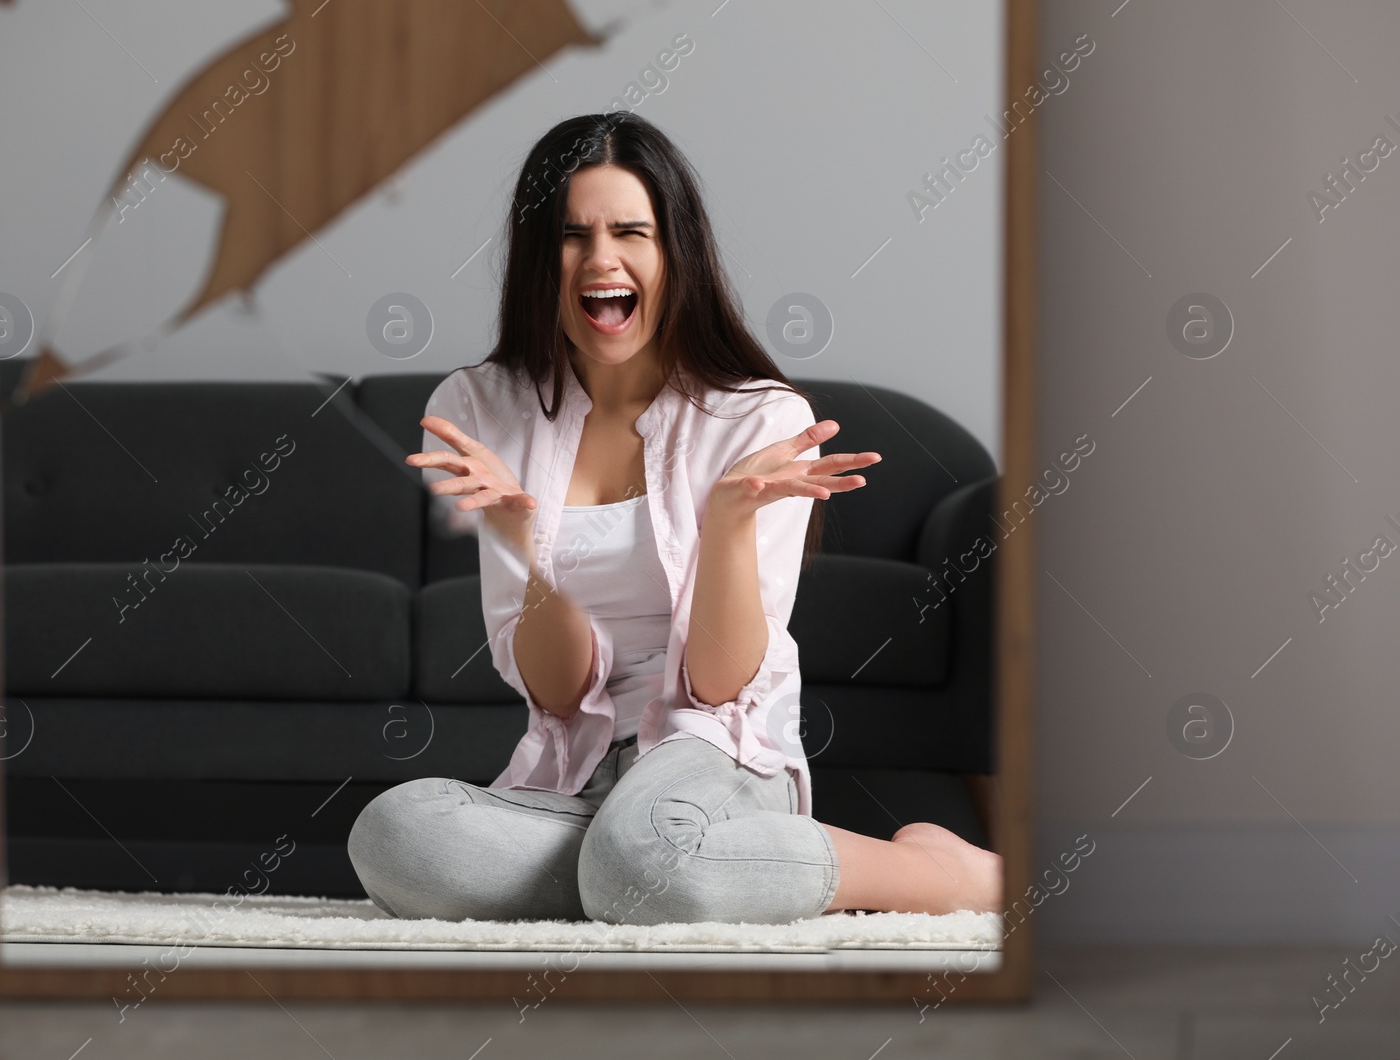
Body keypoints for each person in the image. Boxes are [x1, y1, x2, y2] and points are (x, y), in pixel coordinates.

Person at [347, 111, 1001, 925]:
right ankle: (658, 873)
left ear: (674, 251)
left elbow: (724, 686)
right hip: (574, 771)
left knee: (642, 854)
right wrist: (524, 541)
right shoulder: (478, 408)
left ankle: (933, 872)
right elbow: (554, 695)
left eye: (631, 231)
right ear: (535, 257)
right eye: (571, 235)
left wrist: (728, 522)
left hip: (716, 750)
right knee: (398, 836)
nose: (601, 259)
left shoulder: (760, 420)